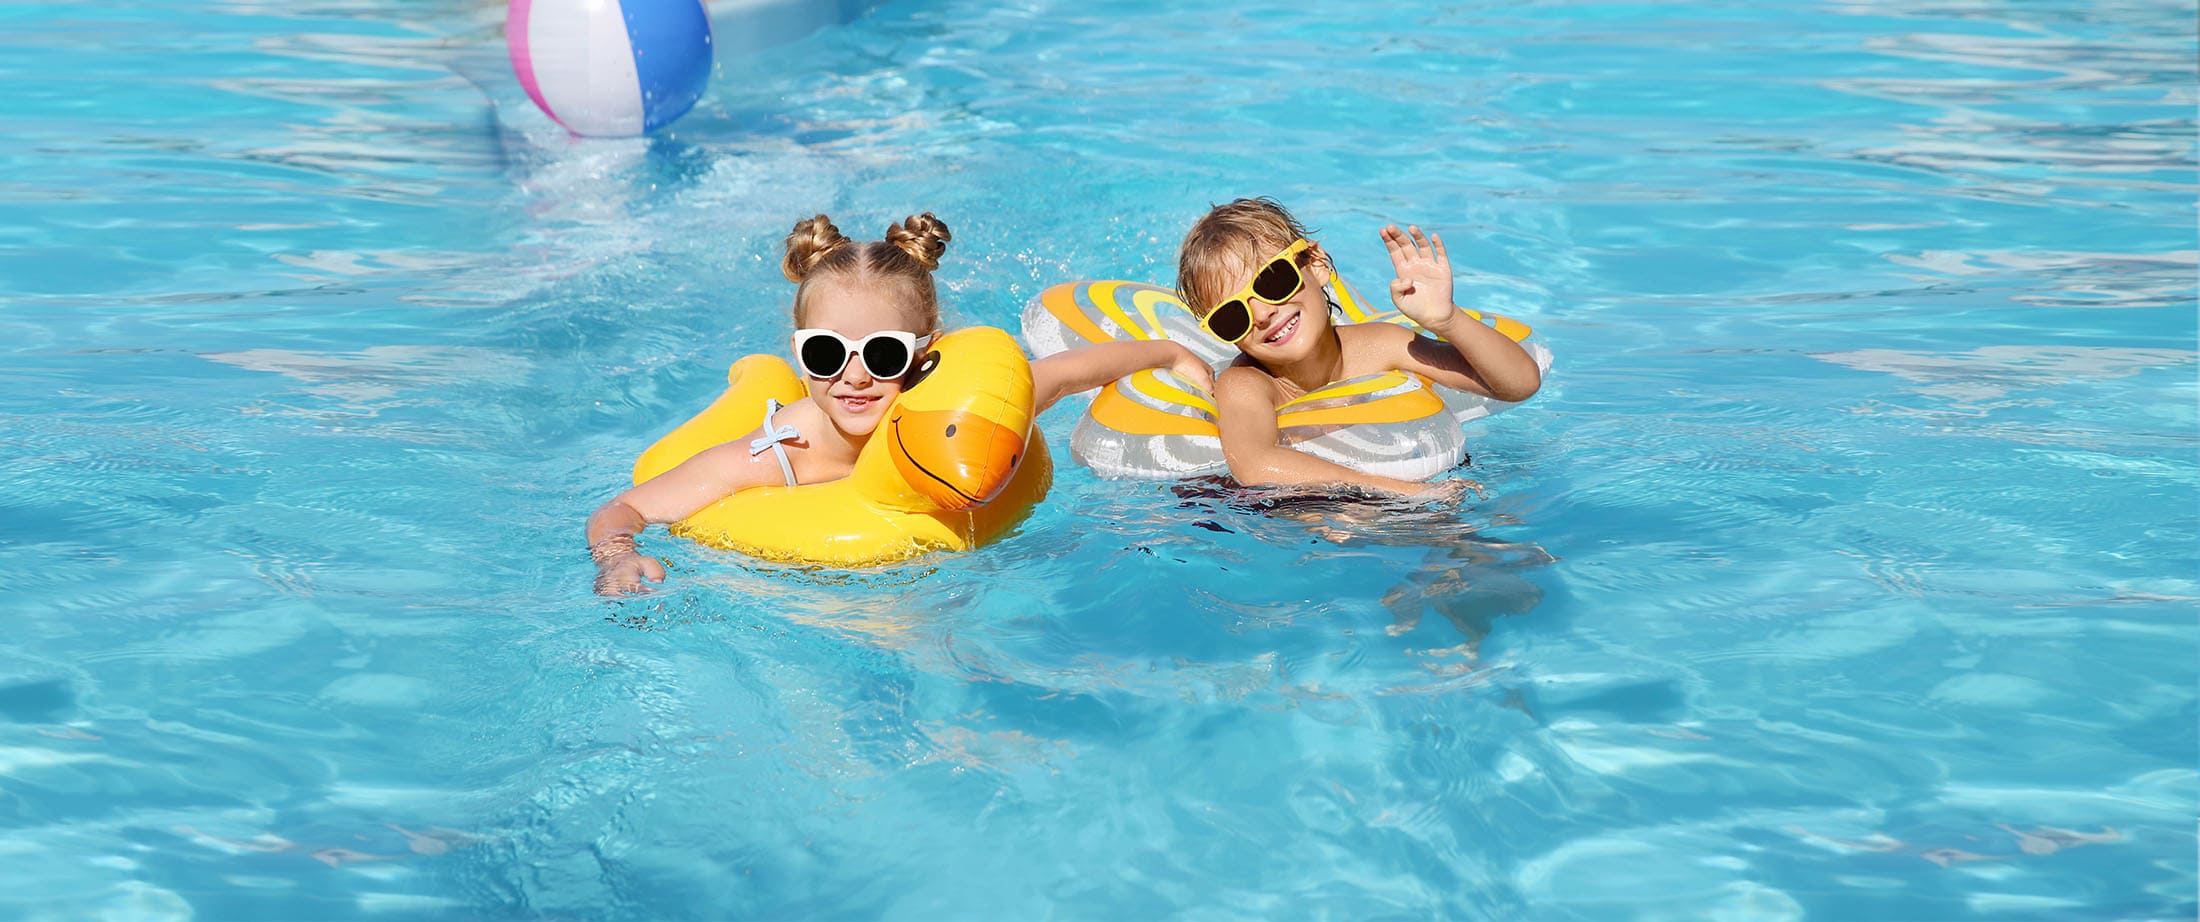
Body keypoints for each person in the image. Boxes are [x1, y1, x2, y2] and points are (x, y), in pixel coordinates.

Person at [587, 212, 1211, 595]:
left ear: (923, 353)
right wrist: (619, 561)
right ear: (798, 351)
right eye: (826, 354)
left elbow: (1068, 373)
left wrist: (1168, 355)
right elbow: (624, 509)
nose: (854, 377)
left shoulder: (959, 420)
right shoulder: (782, 454)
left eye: (882, 354)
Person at [1174, 197, 1542, 497]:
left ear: (1316, 264)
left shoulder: (1380, 346)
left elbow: (1519, 384)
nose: (1263, 314)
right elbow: (1255, 465)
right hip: (1287, 515)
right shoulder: (1247, 384)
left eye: (1273, 281)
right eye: (1231, 316)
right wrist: (1406, 493)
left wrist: (1447, 320)